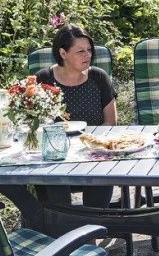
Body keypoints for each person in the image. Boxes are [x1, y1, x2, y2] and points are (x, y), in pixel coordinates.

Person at [35, 24, 117, 208]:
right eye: (80, 51)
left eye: (89, 50)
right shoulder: (44, 79)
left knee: (101, 173)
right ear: (63, 53)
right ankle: (58, 229)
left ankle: (94, 227)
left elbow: (110, 122)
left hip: (92, 154)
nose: (88, 55)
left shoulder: (98, 77)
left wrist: (90, 145)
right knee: (52, 188)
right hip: (54, 158)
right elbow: (33, 123)